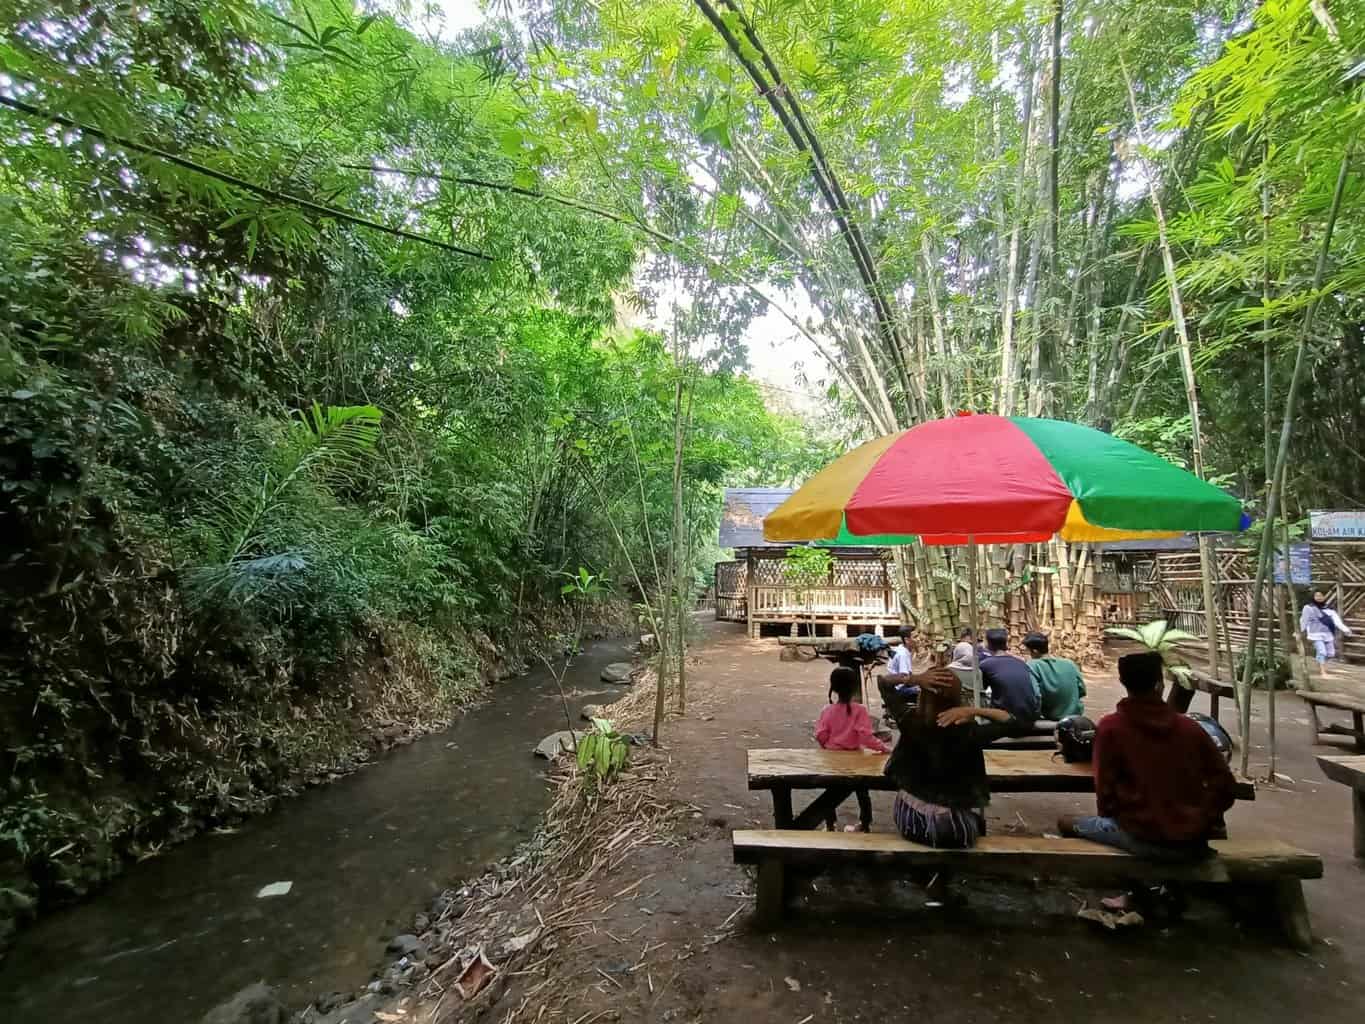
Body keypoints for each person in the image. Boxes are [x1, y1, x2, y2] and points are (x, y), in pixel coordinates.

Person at [1058, 651, 1237, 862]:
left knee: (1066, 822)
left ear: (1123, 682)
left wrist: (1124, 818)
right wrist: (1202, 818)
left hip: (1140, 837)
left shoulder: (1111, 728)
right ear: (1159, 684)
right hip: (1192, 841)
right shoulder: (1190, 728)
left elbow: (1104, 792)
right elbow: (1225, 786)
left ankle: (1133, 888)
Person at [882, 671, 1028, 850]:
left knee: (969, 819)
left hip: (906, 816)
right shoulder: (967, 731)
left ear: (922, 693)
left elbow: (884, 683)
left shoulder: (909, 719)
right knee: (976, 824)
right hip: (944, 829)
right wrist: (974, 710)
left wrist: (914, 679)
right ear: (957, 699)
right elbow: (1013, 722)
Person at [802, 667, 890, 832]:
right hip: (855, 757)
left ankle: (830, 824)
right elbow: (866, 737)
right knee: (862, 790)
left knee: (830, 793)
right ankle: (864, 824)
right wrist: (884, 748)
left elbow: (820, 734)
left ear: (833, 688)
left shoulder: (827, 710)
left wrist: (827, 747)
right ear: (853, 687)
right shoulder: (860, 710)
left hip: (832, 759)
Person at [977, 628, 1040, 724]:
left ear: (988, 644)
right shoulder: (1021, 662)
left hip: (1009, 721)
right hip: (1029, 719)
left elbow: (981, 689)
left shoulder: (985, 664)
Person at [1022, 631, 1086, 720]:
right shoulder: (1069, 663)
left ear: (1034, 651)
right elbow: (1082, 690)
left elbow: (1035, 696)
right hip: (1075, 715)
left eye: (1027, 651)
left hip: (1052, 717)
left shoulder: (1032, 665)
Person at [1300, 590, 1353, 668]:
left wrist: (1346, 630)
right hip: (1315, 634)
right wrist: (1300, 631)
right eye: (1317, 596)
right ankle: (1323, 672)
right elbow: (1303, 620)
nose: (1319, 597)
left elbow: (1337, 621)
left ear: (1324, 597)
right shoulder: (1309, 608)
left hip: (1328, 634)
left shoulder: (1329, 608)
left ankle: (1319, 661)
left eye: (1321, 595)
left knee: (1331, 654)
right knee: (1322, 652)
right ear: (1313, 597)